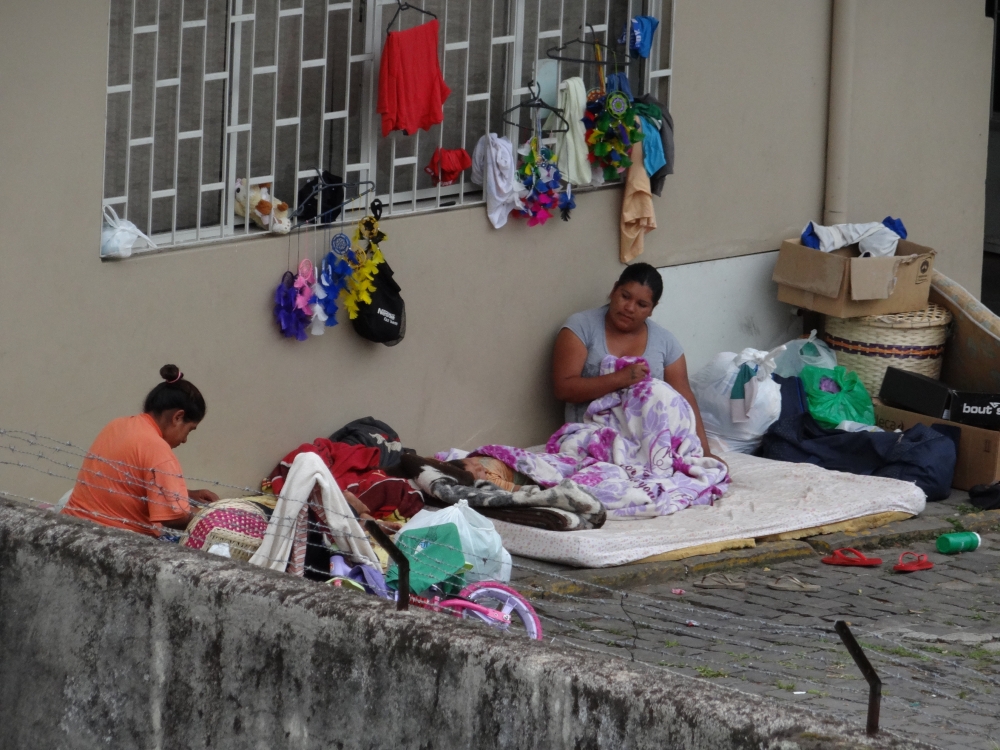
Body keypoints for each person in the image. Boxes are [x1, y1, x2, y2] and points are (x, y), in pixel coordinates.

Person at [552, 262, 722, 463]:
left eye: (642, 305)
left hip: (649, 447)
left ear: (652, 309)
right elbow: (563, 389)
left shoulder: (665, 343)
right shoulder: (581, 327)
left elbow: (684, 399)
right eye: (625, 296)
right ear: (614, 290)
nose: (629, 308)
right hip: (590, 442)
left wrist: (705, 451)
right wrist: (620, 379)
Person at [62, 365, 220, 536]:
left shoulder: (117, 425)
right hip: (114, 541)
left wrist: (187, 495)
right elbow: (174, 517)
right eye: (189, 430)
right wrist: (216, 516)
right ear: (178, 417)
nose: (184, 440)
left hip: (72, 528)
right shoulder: (158, 450)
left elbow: (129, 486)